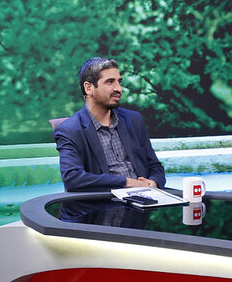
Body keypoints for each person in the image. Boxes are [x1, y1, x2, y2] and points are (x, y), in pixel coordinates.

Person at [54, 57, 166, 192]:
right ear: (89, 88)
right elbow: (73, 178)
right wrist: (128, 183)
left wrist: (153, 182)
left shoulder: (134, 120)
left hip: (147, 197)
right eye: (110, 82)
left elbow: (155, 167)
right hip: (105, 201)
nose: (118, 88)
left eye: (119, 82)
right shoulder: (69, 130)